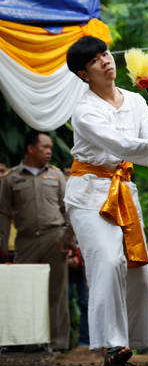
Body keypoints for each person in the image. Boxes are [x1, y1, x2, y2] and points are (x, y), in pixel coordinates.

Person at [64, 36, 148, 366]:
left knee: (136, 268)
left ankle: (129, 342)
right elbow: (121, 144)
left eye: (106, 54)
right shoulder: (83, 110)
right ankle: (111, 344)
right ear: (84, 74)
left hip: (123, 190)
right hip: (88, 194)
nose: (106, 61)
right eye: (97, 60)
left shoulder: (136, 101)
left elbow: (147, 146)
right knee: (107, 260)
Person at [0, 131, 74, 351]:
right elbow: (3, 212)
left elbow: (68, 207)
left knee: (57, 292)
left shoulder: (56, 175)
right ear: (30, 148)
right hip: (26, 240)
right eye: (45, 147)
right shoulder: (12, 178)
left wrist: (69, 237)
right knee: (24, 291)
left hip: (55, 238)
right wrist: (3, 243)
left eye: (51, 147)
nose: (50, 151)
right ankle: (28, 342)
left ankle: (58, 342)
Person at [63, 162, 90, 349]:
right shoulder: (59, 194)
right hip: (63, 253)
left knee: (86, 300)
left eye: (71, 173)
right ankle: (62, 342)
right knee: (62, 299)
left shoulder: (87, 191)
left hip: (85, 255)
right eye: (66, 173)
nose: (69, 177)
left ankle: (86, 342)